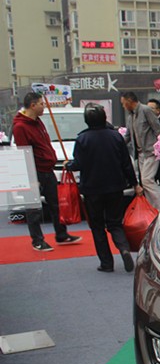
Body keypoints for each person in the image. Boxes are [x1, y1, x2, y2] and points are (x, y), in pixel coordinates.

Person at [64, 103, 142, 273]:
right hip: (115, 186)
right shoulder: (116, 137)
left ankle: (106, 262)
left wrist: (68, 165)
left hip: (92, 189)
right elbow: (126, 164)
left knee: (97, 226)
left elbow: (78, 164)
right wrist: (135, 183)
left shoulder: (82, 139)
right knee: (115, 223)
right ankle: (124, 248)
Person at [12, 92, 81, 251]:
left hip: (48, 170)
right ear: (33, 105)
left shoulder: (38, 122)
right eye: (41, 104)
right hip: (35, 171)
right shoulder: (21, 127)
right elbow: (24, 154)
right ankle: (37, 240)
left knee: (55, 204)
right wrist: (31, 178)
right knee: (34, 209)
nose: (44, 106)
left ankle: (61, 234)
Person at [120, 91, 160, 209]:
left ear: (129, 101)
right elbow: (128, 136)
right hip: (140, 154)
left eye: (124, 103)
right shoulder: (130, 117)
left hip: (151, 151)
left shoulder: (146, 110)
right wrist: (117, 144)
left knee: (147, 180)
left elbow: (158, 129)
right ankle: (152, 207)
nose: (123, 106)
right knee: (144, 182)